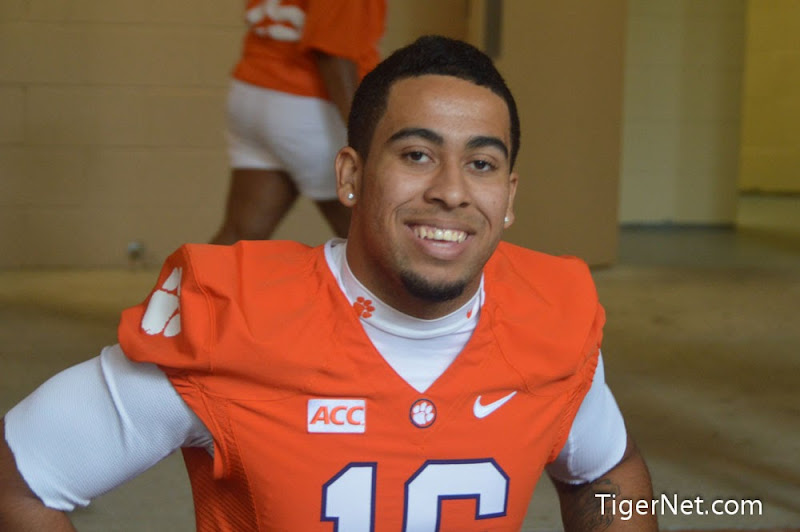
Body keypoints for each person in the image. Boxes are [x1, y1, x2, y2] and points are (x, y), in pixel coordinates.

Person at [0, 36, 658, 531]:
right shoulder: (232, 319)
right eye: (417, 154)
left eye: (481, 163)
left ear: (509, 197)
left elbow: (606, 472)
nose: (452, 191)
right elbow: (21, 480)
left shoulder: (554, 313)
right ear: (350, 175)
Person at [210, 0, 386, 244]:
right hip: (310, 106)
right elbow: (331, 51)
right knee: (375, 243)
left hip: (253, 90)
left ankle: (184, 284)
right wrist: (366, 133)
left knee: (240, 235)